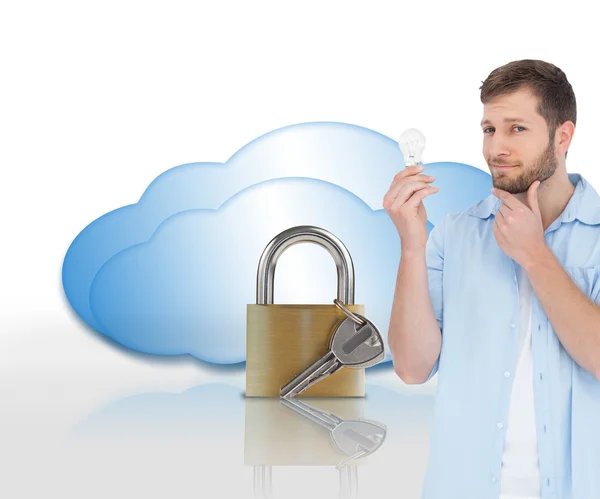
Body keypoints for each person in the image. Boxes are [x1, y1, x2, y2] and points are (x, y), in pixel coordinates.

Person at [384, 59, 600, 499]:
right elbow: (411, 367)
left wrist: (536, 256)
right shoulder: (455, 234)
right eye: (489, 129)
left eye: (516, 129)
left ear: (563, 136)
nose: (496, 147)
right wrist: (412, 245)